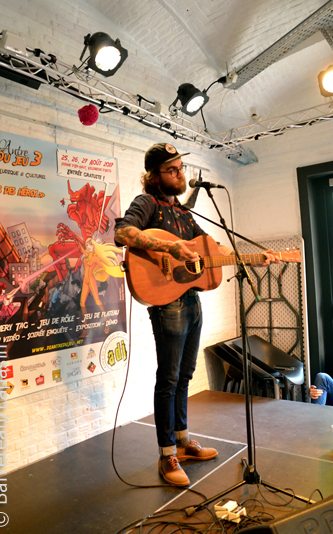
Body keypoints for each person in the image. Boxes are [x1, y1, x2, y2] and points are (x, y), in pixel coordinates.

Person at [114, 142, 279, 486]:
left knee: (186, 374)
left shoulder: (186, 214)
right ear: (154, 176)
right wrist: (169, 246)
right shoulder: (147, 203)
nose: (180, 175)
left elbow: (213, 250)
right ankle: (166, 454)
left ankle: (183, 441)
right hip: (166, 304)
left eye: (181, 169)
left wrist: (251, 258)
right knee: (169, 379)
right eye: (172, 170)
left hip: (191, 301)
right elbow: (123, 233)